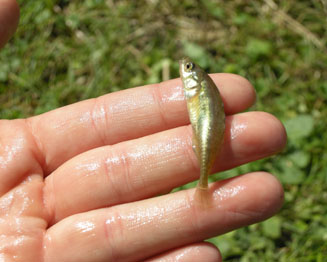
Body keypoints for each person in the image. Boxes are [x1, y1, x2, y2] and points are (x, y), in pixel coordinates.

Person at [0, 1, 286, 261]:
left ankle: (203, 184)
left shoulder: (202, 89)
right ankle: (204, 184)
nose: (182, 69)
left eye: (187, 69)